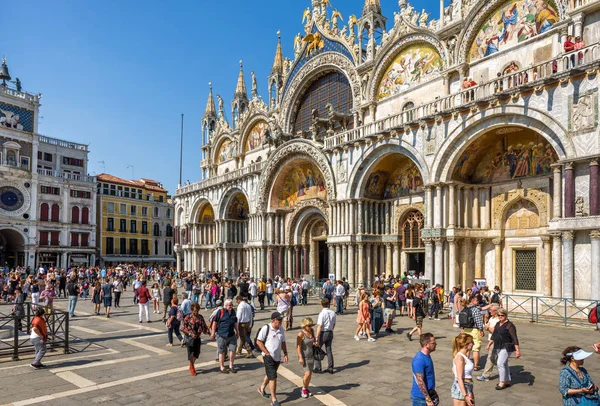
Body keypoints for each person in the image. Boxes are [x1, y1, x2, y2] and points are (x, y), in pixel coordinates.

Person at [256, 312, 288, 406]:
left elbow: (283, 342)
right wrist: (266, 353)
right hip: (268, 356)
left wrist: (285, 353)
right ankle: (274, 400)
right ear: (273, 320)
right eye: (279, 320)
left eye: (281, 320)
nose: (281, 322)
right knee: (273, 377)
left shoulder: (281, 329)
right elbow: (259, 341)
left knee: (270, 374)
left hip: (277, 357)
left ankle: (261, 388)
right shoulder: (266, 328)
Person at [486, 307, 521, 390]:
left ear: (506, 315)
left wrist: (517, 350)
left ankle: (502, 382)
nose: (500, 317)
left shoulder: (510, 325)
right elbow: (494, 335)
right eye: (498, 315)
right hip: (498, 345)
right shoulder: (498, 323)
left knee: (500, 363)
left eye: (502, 315)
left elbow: (515, 338)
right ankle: (507, 380)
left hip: (507, 346)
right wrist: (488, 344)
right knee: (504, 363)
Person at [210, 298, 239, 373]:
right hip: (221, 335)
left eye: (232, 305)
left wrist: (237, 332)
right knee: (222, 351)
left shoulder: (233, 312)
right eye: (230, 305)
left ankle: (231, 365)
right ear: (225, 306)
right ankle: (222, 367)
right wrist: (213, 333)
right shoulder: (221, 312)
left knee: (233, 350)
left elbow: (235, 322)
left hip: (231, 335)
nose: (231, 306)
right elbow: (214, 323)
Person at [181, 302, 210, 376]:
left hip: (197, 338)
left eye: (197, 310)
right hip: (190, 338)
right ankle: (192, 366)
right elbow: (182, 328)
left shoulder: (200, 317)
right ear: (191, 310)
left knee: (197, 353)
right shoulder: (188, 317)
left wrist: (209, 333)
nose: (196, 312)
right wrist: (190, 333)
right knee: (191, 353)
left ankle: (191, 364)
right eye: (194, 311)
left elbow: (204, 327)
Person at [410, 333, 438, 406]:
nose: (435, 344)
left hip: (429, 394)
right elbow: (420, 381)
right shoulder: (419, 360)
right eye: (433, 343)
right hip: (420, 399)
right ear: (426, 345)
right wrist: (428, 399)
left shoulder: (427, 356)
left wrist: (433, 390)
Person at [461, 295, 485, 370]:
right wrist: (481, 329)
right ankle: (475, 366)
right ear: (472, 301)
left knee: (467, 347)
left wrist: (462, 328)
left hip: (466, 330)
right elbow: (479, 321)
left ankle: (466, 363)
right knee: (475, 348)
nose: (478, 302)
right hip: (474, 330)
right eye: (477, 300)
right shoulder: (475, 310)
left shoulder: (465, 308)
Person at [296, 317, 317, 398]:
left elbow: (314, 340)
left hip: (311, 355)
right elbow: (298, 346)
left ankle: (306, 387)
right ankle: (303, 389)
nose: (310, 327)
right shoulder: (301, 334)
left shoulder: (312, 331)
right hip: (304, 356)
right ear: (304, 326)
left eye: (311, 325)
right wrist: (300, 357)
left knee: (310, 373)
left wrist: (315, 343)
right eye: (309, 326)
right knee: (307, 373)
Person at [478, 304, 500, 381]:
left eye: (491, 310)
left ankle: (485, 375)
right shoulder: (492, 318)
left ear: (496, 311)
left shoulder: (498, 320)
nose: (489, 311)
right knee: (497, 358)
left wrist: (489, 328)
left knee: (490, 357)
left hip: (495, 340)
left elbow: (495, 331)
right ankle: (505, 371)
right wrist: (488, 328)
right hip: (491, 338)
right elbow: (486, 326)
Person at [452, 333, 475, 406]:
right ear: (466, 344)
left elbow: (453, 369)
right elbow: (459, 377)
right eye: (472, 342)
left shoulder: (464, 356)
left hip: (468, 386)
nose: (473, 344)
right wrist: (465, 395)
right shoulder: (460, 358)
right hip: (461, 388)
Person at [314, 298, 336, 374]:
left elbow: (319, 325)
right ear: (328, 304)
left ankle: (317, 367)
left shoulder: (322, 314)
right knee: (329, 350)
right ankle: (330, 367)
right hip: (330, 332)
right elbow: (333, 324)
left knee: (317, 349)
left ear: (321, 304)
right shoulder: (333, 312)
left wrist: (317, 336)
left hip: (323, 332)